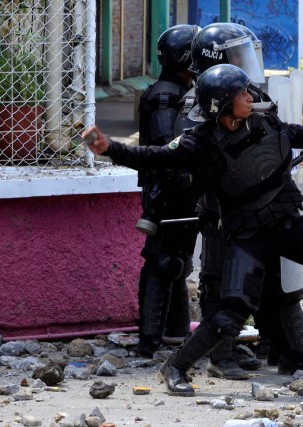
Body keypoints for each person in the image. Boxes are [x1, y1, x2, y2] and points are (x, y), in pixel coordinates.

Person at [84, 64, 303, 396]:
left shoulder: (265, 121)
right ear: (221, 104)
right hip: (247, 236)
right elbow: (153, 157)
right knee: (229, 316)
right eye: (242, 94)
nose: (250, 97)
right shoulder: (199, 142)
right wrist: (109, 148)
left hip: (286, 222)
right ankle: (174, 367)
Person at [184, 22, 303, 378]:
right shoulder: (196, 108)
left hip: (260, 210)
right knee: (220, 283)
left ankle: (279, 348)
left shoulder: (251, 100)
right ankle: (221, 356)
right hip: (221, 211)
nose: (243, 66)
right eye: (234, 57)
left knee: (267, 280)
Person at [134, 24, 200, 358]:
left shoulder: (179, 89)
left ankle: (174, 332)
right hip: (166, 190)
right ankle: (149, 341)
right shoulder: (165, 94)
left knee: (177, 261)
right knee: (163, 261)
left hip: (178, 188)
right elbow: (166, 145)